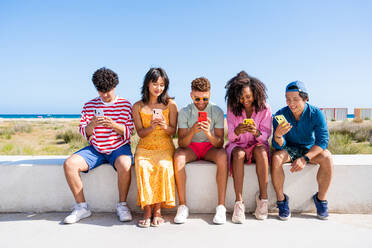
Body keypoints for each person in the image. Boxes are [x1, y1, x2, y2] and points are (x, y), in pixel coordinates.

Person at [63, 67, 134, 224]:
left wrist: (114, 125)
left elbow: (130, 132)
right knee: (69, 164)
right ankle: (82, 208)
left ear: (115, 86)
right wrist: (92, 125)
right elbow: (84, 131)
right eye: (101, 91)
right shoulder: (89, 105)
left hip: (119, 148)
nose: (105, 94)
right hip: (96, 149)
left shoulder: (125, 104)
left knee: (125, 163)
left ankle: (122, 205)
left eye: (108, 90)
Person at [271, 81, 333, 220]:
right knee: (276, 158)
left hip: (309, 149)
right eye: (288, 99)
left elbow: (322, 141)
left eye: (295, 99)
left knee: (327, 157)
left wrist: (305, 159)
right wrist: (278, 135)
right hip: (290, 148)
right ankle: (281, 201)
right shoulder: (280, 114)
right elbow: (279, 146)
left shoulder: (316, 114)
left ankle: (321, 200)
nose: (291, 103)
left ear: (305, 99)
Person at [173, 77, 228, 225]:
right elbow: (182, 143)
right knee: (178, 156)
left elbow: (220, 143)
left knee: (223, 155)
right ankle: (183, 206)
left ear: (209, 94)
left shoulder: (216, 111)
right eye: (197, 99)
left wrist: (209, 134)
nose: (201, 102)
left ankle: (221, 207)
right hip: (191, 147)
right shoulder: (185, 112)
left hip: (210, 148)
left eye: (205, 98)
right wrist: (192, 131)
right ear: (191, 95)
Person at [132, 68, 178, 228]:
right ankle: (147, 210)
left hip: (165, 145)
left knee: (163, 166)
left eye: (162, 84)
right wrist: (151, 127)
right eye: (155, 84)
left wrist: (165, 126)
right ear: (147, 84)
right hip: (144, 147)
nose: (158, 88)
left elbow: (174, 131)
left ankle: (158, 211)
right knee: (143, 166)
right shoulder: (137, 106)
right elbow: (140, 133)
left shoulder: (171, 105)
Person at [224, 71, 272, 223]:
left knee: (262, 151)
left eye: (248, 97)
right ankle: (239, 203)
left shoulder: (264, 108)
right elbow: (230, 137)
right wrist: (237, 131)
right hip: (239, 145)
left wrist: (256, 132)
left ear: (255, 94)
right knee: (238, 154)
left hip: (257, 145)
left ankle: (263, 200)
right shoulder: (233, 108)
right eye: (241, 97)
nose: (244, 100)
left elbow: (266, 134)